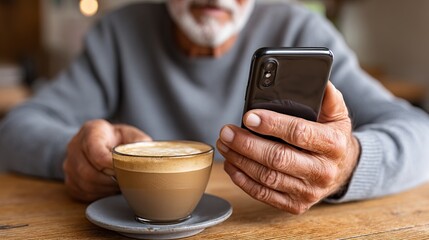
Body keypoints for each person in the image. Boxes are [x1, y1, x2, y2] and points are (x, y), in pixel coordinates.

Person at [1, 0, 429, 214]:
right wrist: (72, 154)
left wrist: (348, 164)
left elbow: (418, 133)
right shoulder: (120, 31)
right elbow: (16, 129)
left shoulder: (299, 27)